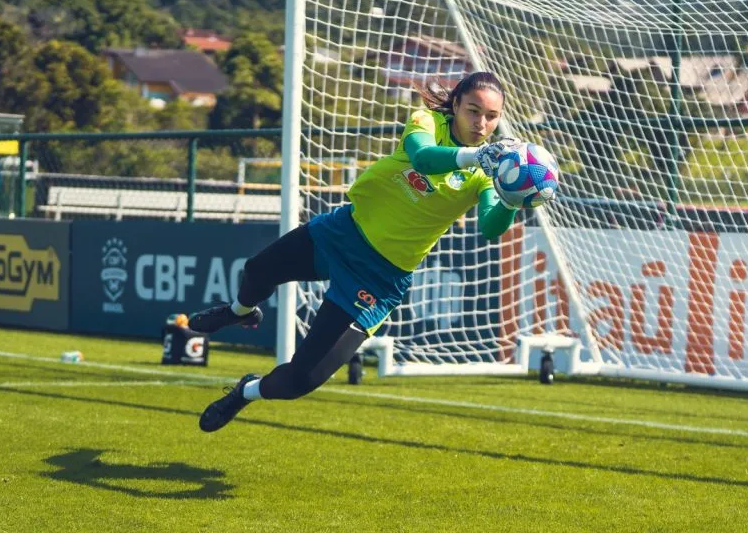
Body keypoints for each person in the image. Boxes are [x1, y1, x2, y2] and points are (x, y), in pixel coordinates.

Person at [190, 71, 526, 433]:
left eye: (491, 117)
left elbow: (491, 228)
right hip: (343, 232)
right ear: (456, 103)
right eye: (473, 110)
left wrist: (512, 196)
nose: (481, 123)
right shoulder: (427, 121)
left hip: (378, 277)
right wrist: (476, 156)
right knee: (256, 271)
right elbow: (425, 158)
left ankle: (246, 391)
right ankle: (240, 312)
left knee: (298, 381)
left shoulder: (488, 172)